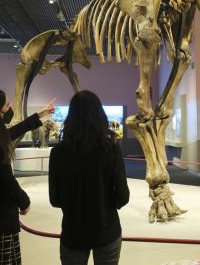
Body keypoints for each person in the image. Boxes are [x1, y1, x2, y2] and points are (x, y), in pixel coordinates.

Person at [48, 90, 129, 265]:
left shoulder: (58, 153)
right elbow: (123, 197)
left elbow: (55, 199)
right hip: (106, 230)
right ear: (100, 115)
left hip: (73, 233)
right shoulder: (112, 150)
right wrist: (105, 205)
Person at [0, 89, 55, 265]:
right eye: (7, 104)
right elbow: (5, 177)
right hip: (2, 216)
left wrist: (39, 115)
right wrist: (23, 201)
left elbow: (12, 132)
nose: (9, 107)